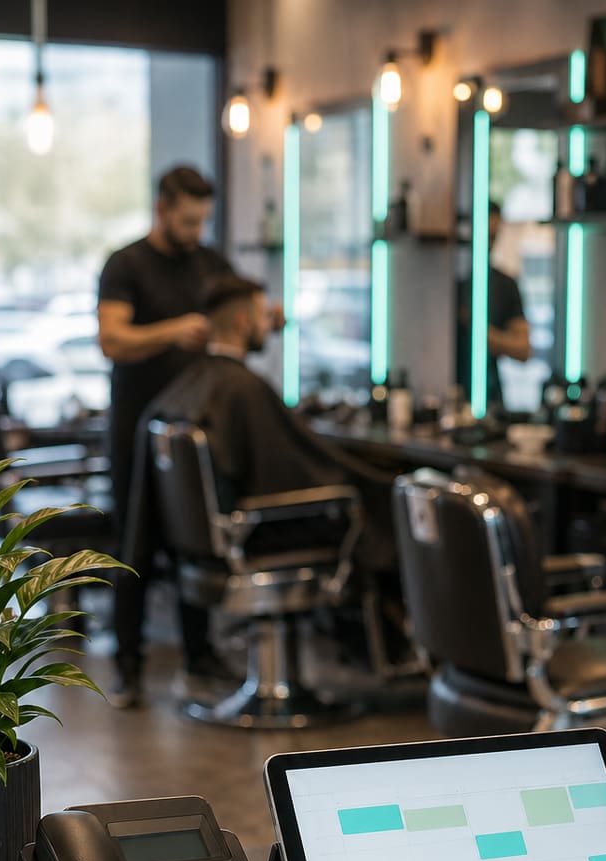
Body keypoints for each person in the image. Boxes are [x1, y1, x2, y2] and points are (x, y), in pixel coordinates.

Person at [119, 274, 400, 677]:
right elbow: (300, 469)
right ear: (240, 323)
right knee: (380, 500)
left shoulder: (185, 393)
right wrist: (382, 482)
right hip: (254, 539)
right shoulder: (241, 390)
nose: (269, 323)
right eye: (262, 315)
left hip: (200, 549)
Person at [98, 165, 235, 706]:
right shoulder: (126, 264)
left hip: (195, 432)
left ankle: (201, 657)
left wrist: (262, 320)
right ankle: (127, 665)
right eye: (186, 221)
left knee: (195, 543)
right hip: (137, 429)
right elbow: (112, 339)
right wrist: (173, 330)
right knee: (133, 547)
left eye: (202, 220)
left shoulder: (211, 263)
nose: (196, 231)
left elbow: (234, 318)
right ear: (161, 209)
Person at [456, 202, 532, 412]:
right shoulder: (450, 284)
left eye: (493, 237)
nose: (489, 244)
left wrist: (476, 327)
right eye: (485, 235)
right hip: (451, 394)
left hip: (489, 399)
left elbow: (523, 349)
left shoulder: (505, 285)